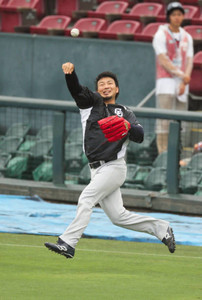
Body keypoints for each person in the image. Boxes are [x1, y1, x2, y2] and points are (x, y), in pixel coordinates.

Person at [44, 62, 176, 259]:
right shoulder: (90, 104)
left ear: (117, 88)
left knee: (86, 199)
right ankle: (162, 228)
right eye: (102, 84)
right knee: (118, 217)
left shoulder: (125, 111)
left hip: (113, 167)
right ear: (97, 90)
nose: (105, 86)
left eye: (110, 83)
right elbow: (77, 90)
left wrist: (127, 126)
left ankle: (68, 243)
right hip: (96, 169)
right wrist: (70, 75)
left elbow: (139, 135)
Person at [152, 2, 194, 154]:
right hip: (166, 81)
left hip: (183, 83)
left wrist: (185, 78)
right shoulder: (160, 34)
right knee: (164, 121)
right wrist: (181, 74)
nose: (177, 17)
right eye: (174, 14)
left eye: (179, 14)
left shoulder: (187, 37)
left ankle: (179, 154)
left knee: (180, 119)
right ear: (169, 17)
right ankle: (163, 154)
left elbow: (189, 60)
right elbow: (163, 59)